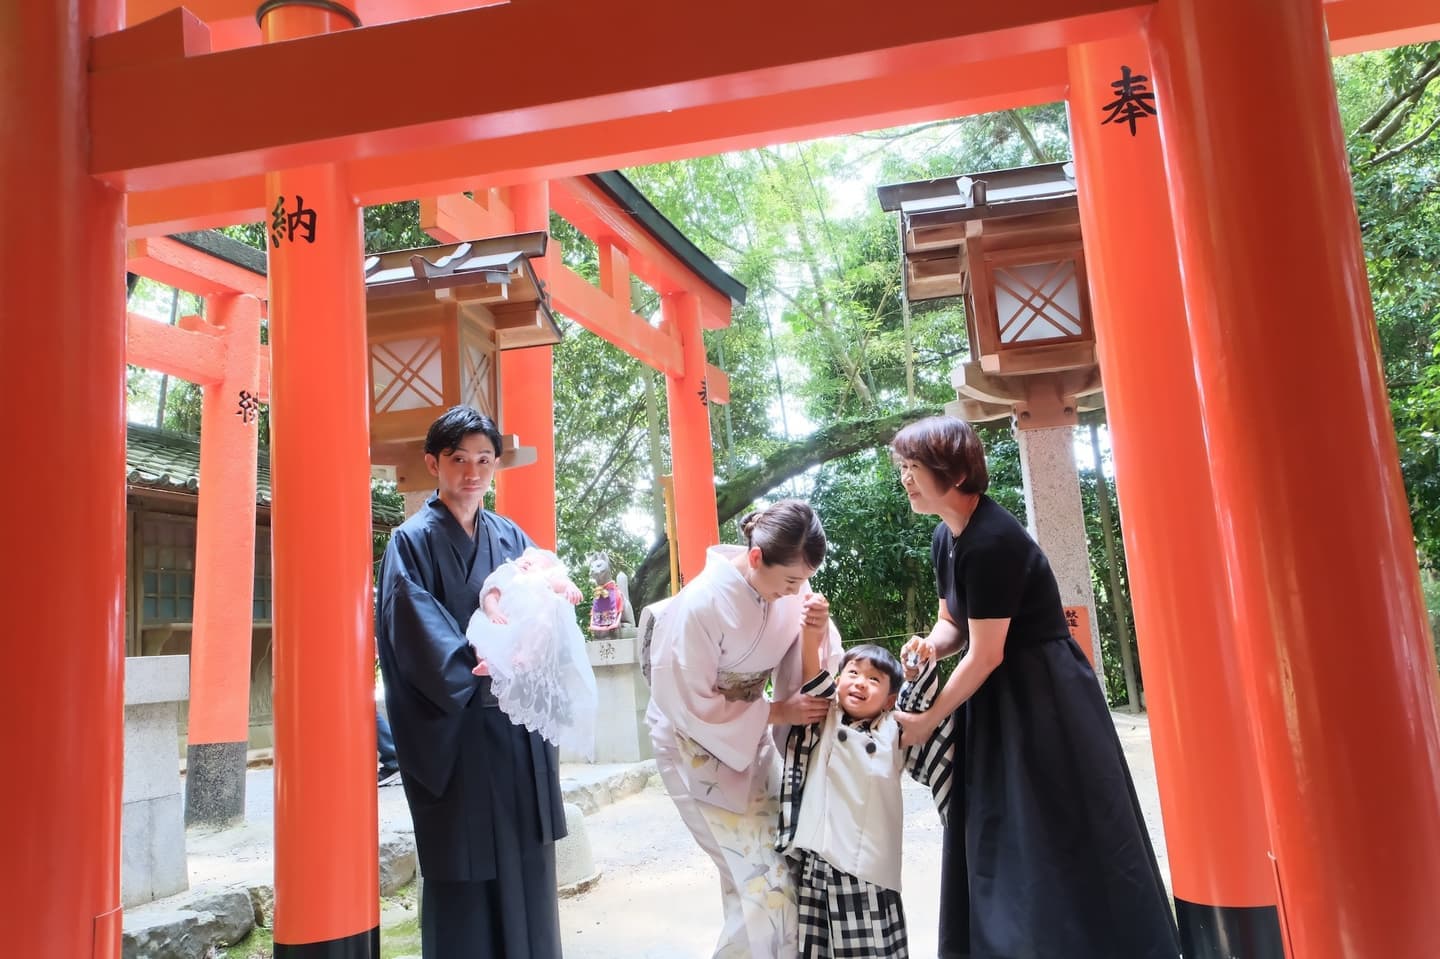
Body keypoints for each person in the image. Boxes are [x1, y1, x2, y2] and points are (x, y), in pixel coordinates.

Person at [890, 416, 1181, 959]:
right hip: (995, 693)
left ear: (955, 473)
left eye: (914, 467)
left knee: (1057, 823)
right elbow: (954, 624)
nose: (905, 478)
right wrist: (930, 646)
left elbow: (987, 652)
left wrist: (929, 719)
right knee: (999, 825)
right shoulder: (946, 536)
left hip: (1043, 697)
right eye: (902, 467)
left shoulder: (991, 540)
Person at [375, 405, 566, 959]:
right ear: (433, 463)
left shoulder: (512, 538)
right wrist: (476, 661)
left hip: (517, 730)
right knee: (465, 865)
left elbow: (545, 611)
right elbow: (411, 626)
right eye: (459, 459)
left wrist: (534, 644)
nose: (472, 472)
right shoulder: (410, 542)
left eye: (485, 460)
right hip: (457, 731)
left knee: (527, 866)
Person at [646, 500, 841, 959]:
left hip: (752, 736)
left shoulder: (790, 585)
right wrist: (778, 711)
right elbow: (686, 700)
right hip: (693, 741)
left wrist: (814, 632)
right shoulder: (700, 603)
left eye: (803, 581)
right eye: (790, 581)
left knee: (783, 869)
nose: (796, 590)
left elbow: (804, 664)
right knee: (760, 886)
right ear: (755, 557)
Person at [775, 600, 952, 959]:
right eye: (853, 673)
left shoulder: (895, 730)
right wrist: (812, 631)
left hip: (869, 870)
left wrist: (917, 663)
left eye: (874, 680)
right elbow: (812, 680)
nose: (860, 683)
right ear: (838, 680)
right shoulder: (825, 718)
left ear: (889, 700)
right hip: (819, 860)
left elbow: (920, 702)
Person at [466, 546, 598, 759]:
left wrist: (570, 587)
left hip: (525, 628)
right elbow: (491, 595)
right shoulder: (508, 574)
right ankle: (487, 661)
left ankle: (525, 658)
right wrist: (493, 611)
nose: (527, 562)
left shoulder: (541, 583)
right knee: (481, 631)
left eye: (536, 563)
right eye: (525, 559)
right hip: (503, 619)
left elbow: (560, 583)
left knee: (546, 620)